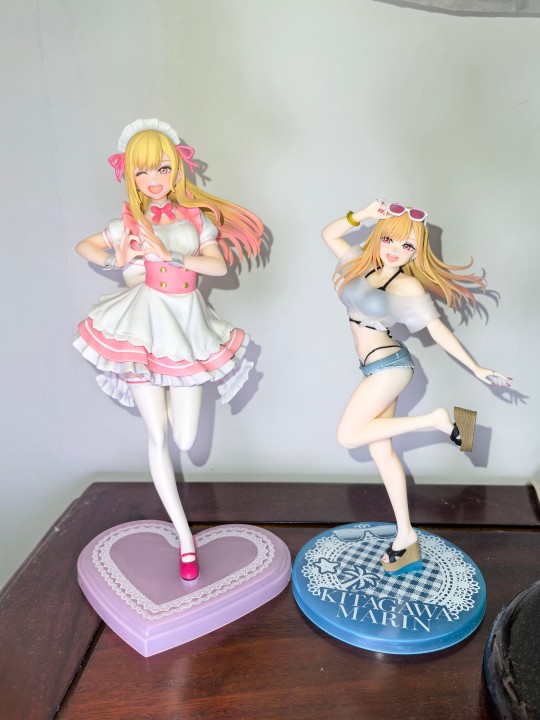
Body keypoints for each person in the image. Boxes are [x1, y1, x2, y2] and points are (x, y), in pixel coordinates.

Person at [74, 119, 263, 581]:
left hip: (188, 327)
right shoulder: (127, 223)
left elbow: (217, 267)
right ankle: (185, 539)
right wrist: (120, 258)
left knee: (185, 439)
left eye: (161, 168)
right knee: (157, 436)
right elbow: (85, 246)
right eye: (141, 171)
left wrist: (168, 254)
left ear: (176, 168)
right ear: (130, 176)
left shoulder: (196, 219)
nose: (153, 179)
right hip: (141, 327)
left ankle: (183, 530)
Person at [322, 199, 510, 576]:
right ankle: (406, 538)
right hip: (373, 368)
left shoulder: (406, 285)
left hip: (391, 367)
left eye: (407, 245)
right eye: (389, 239)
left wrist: (476, 367)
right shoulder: (359, 263)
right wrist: (364, 214)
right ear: (379, 237)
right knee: (382, 451)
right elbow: (329, 234)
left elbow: (437, 330)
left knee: (347, 436)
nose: (396, 250)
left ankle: (437, 420)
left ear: (415, 252)